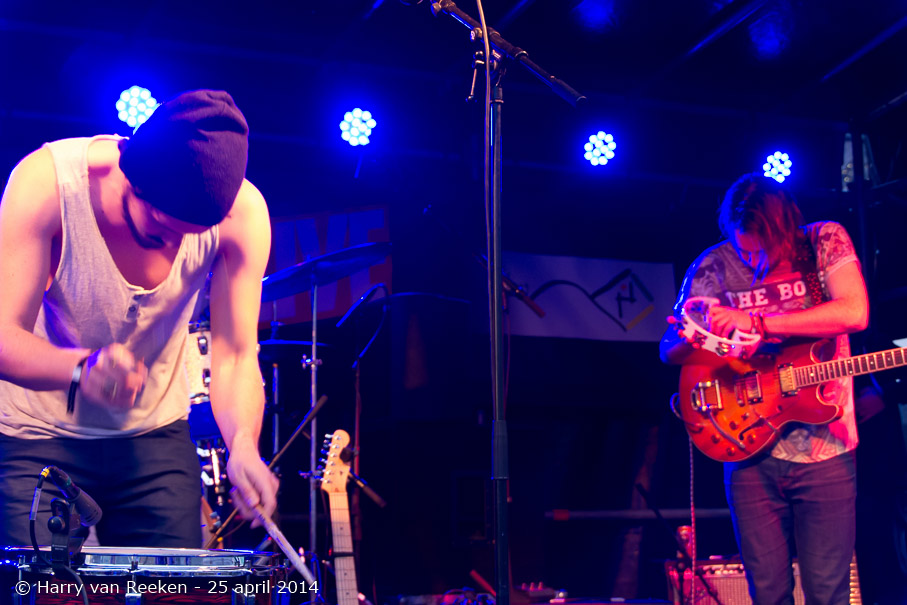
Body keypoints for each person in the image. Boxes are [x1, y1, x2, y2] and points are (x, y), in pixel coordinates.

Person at [0, 89, 278, 547]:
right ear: (129, 180)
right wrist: (81, 368)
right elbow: (4, 336)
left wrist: (243, 444)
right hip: (37, 434)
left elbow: (235, 354)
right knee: (45, 587)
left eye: (190, 234)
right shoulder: (47, 182)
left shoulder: (243, 216)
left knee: (168, 587)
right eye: (161, 229)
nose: (174, 245)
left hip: (153, 436)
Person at [659, 173, 869, 604]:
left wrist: (758, 323)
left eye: (760, 249)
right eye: (743, 249)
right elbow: (670, 350)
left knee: (828, 592)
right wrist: (695, 333)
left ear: (784, 229)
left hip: (826, 451)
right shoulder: (712, 265)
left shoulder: (823, 241)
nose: (752, 262)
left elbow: (855, 312)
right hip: (745, 445)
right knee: (768, 594)